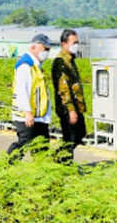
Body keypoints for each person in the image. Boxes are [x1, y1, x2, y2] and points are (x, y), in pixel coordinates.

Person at [7, 34, 52, 154]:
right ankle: (5, 167)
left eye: (48, 50)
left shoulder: (36, 66)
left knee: (41, 146)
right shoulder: (25, 65)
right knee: (24, 143)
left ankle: (41, 170)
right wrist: (27, 112)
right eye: (44, 49)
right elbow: (22, 90)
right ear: (33, 47)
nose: (46, 53)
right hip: (26, 116)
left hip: (39, 116)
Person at [51, 29, 86, 158]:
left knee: (79, 134)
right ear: (64, 44)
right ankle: (63, 163)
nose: (76, 45)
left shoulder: (70, 60)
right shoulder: (61, 62)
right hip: (67, 107)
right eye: (74, 42)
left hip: (76, 106)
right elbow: (63, 89)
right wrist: (71, 110)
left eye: (77, 42)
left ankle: (58, 158)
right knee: (70, 138)